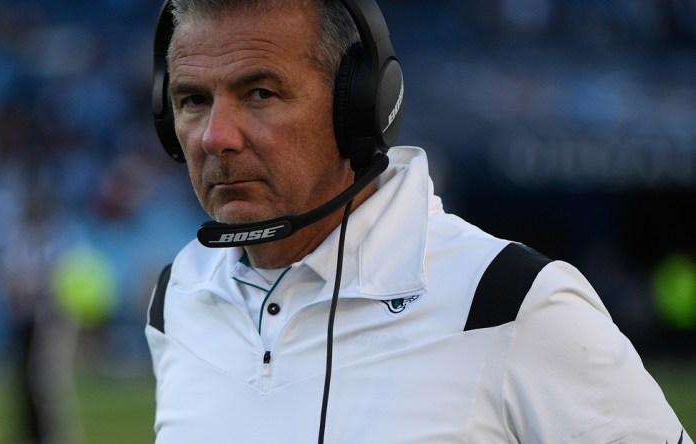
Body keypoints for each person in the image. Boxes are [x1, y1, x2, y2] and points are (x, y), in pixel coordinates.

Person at [145, 0, 693, 443]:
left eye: (260, 93)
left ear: (357, 106)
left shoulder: (508, 302)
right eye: (193, 100)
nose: (216, 137)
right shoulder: (177, 299)